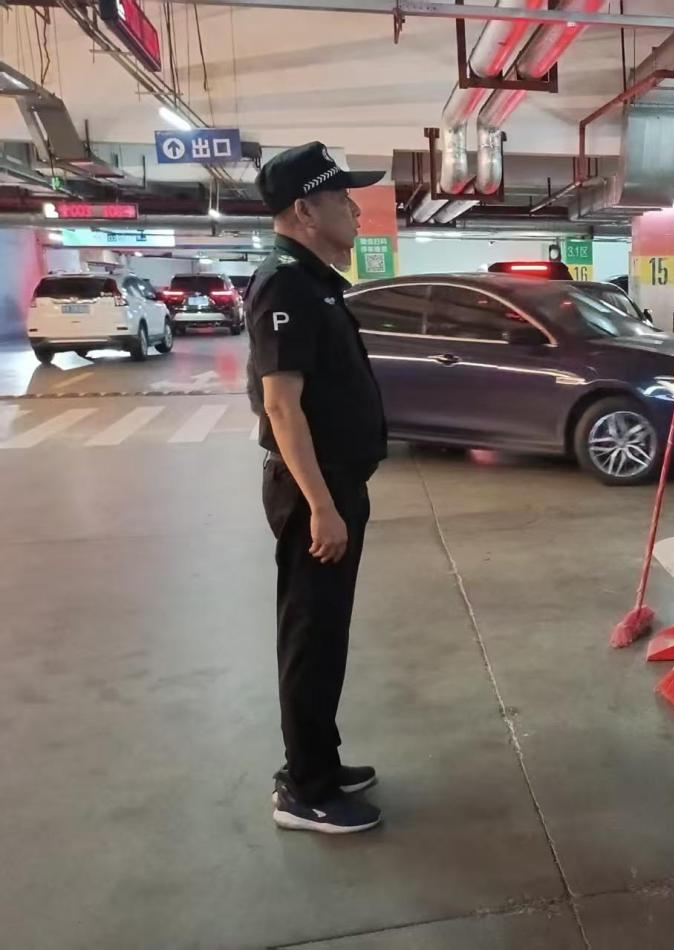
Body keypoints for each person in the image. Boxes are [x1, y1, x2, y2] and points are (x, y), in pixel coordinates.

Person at [247, 141, 388, 834]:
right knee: (311, 636)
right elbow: (282, 406)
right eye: (342, 199)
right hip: (315, 492)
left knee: (327, 634)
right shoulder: (286, 284)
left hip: (333, 485)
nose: (356, 211)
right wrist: (321, 507)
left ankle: (320, 763)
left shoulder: (313, 278)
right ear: (305, 210)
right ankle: (305, 789)